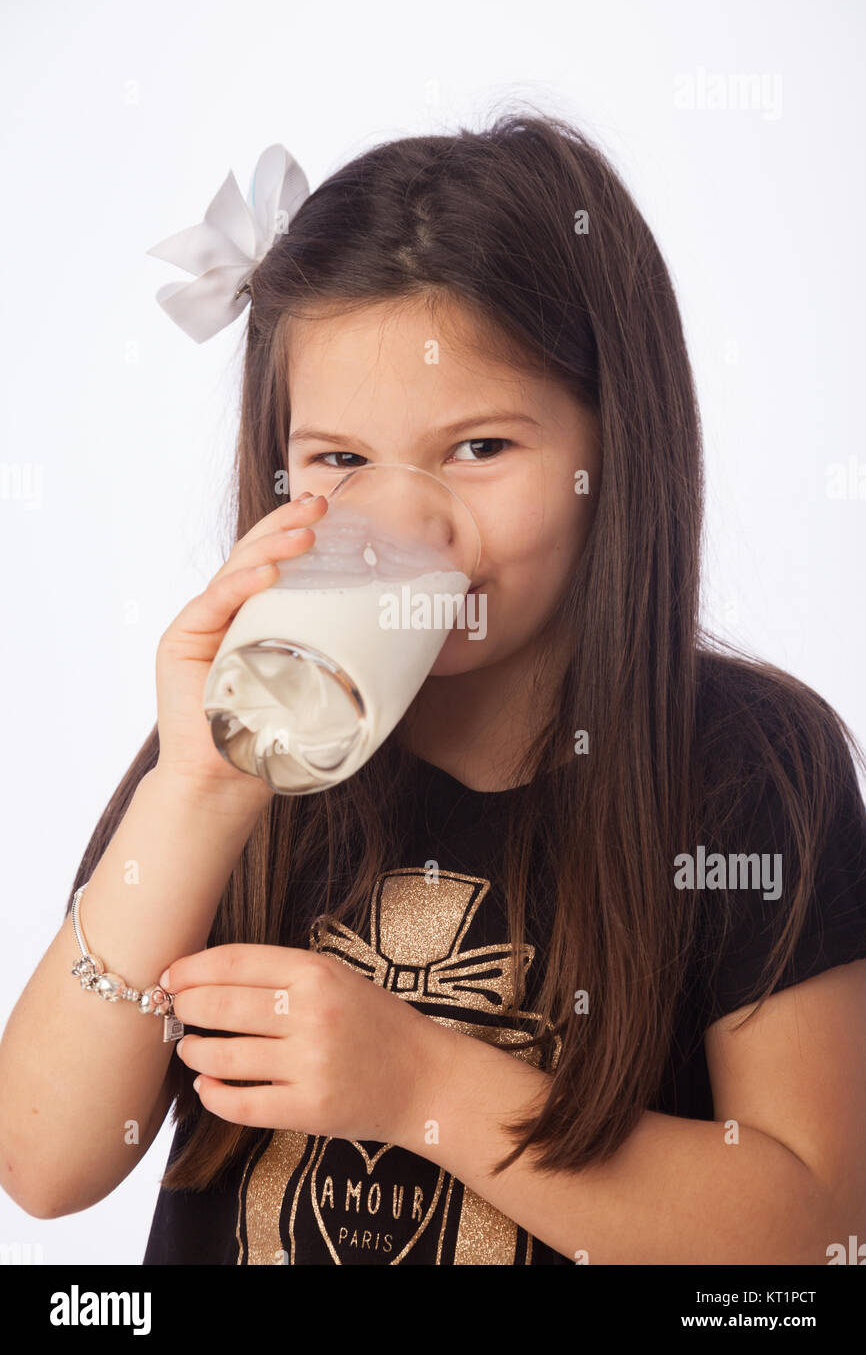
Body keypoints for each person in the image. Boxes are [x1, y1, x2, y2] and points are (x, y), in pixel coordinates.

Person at [2, 111, 864, 1266]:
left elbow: (811, 1230)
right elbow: (45, 1161)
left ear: (613, 448)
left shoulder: (749, 763)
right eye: (341, 461)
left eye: (478, 450)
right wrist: (196, 791)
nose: (406, 520)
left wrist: (419, 1083)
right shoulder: (236, 748)